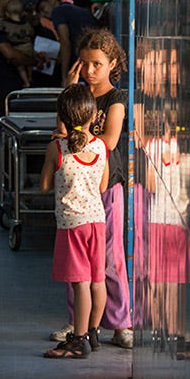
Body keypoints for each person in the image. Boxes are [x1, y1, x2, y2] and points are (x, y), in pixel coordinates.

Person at [50, 28, 133, 349]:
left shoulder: (116, 99)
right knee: (76, 262)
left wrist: (76, 136)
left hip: (106, 186)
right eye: (84, 63)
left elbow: (110, 140)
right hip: (74, 190)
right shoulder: (75, 96)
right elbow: (60, 130)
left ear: (113, 63)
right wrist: (68, 90)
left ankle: (120, 322)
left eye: (97, 64)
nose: (89, 71)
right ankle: (78, 323)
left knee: (109, 257)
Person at [40, 83, 109, 359]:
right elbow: (103, 187)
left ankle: (77, 340)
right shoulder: (101, 147)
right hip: (97, 221)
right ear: (93, 116)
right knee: (97, 279)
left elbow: (45, 184)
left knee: (80, 283)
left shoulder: (56, 148)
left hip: (72, 224)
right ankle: (93, 332)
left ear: (62, 118)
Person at [0, 0, 43, 194]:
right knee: (4, 132)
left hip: (24, 89)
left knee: (21, 135)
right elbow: (10, 55)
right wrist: (33, 61)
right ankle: (2, 181)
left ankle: (18, 179)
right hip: (7, 86)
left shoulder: (20, 20)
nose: (16, 3)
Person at [37, 0, 97, 85]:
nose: (43, 15)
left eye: (43, 8)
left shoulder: (58, 11)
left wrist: (64, 76)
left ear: (51, 0)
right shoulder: (76, 11)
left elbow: (65, 43)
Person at [0, 0, 36, 87]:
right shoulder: (26, 24)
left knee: (20, 66)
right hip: (28, 46)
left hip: (17, 47)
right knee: (30, 64)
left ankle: (26, 81)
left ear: (7, 13)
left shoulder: (6, 24)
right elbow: (31, 32)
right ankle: (30, 77)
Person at [23, 0, 62, 88]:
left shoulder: (48, 33)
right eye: (29, 11)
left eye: (36, 11)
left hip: (49, 83)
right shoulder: (20, 34)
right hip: (28, 84)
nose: (33, 14)